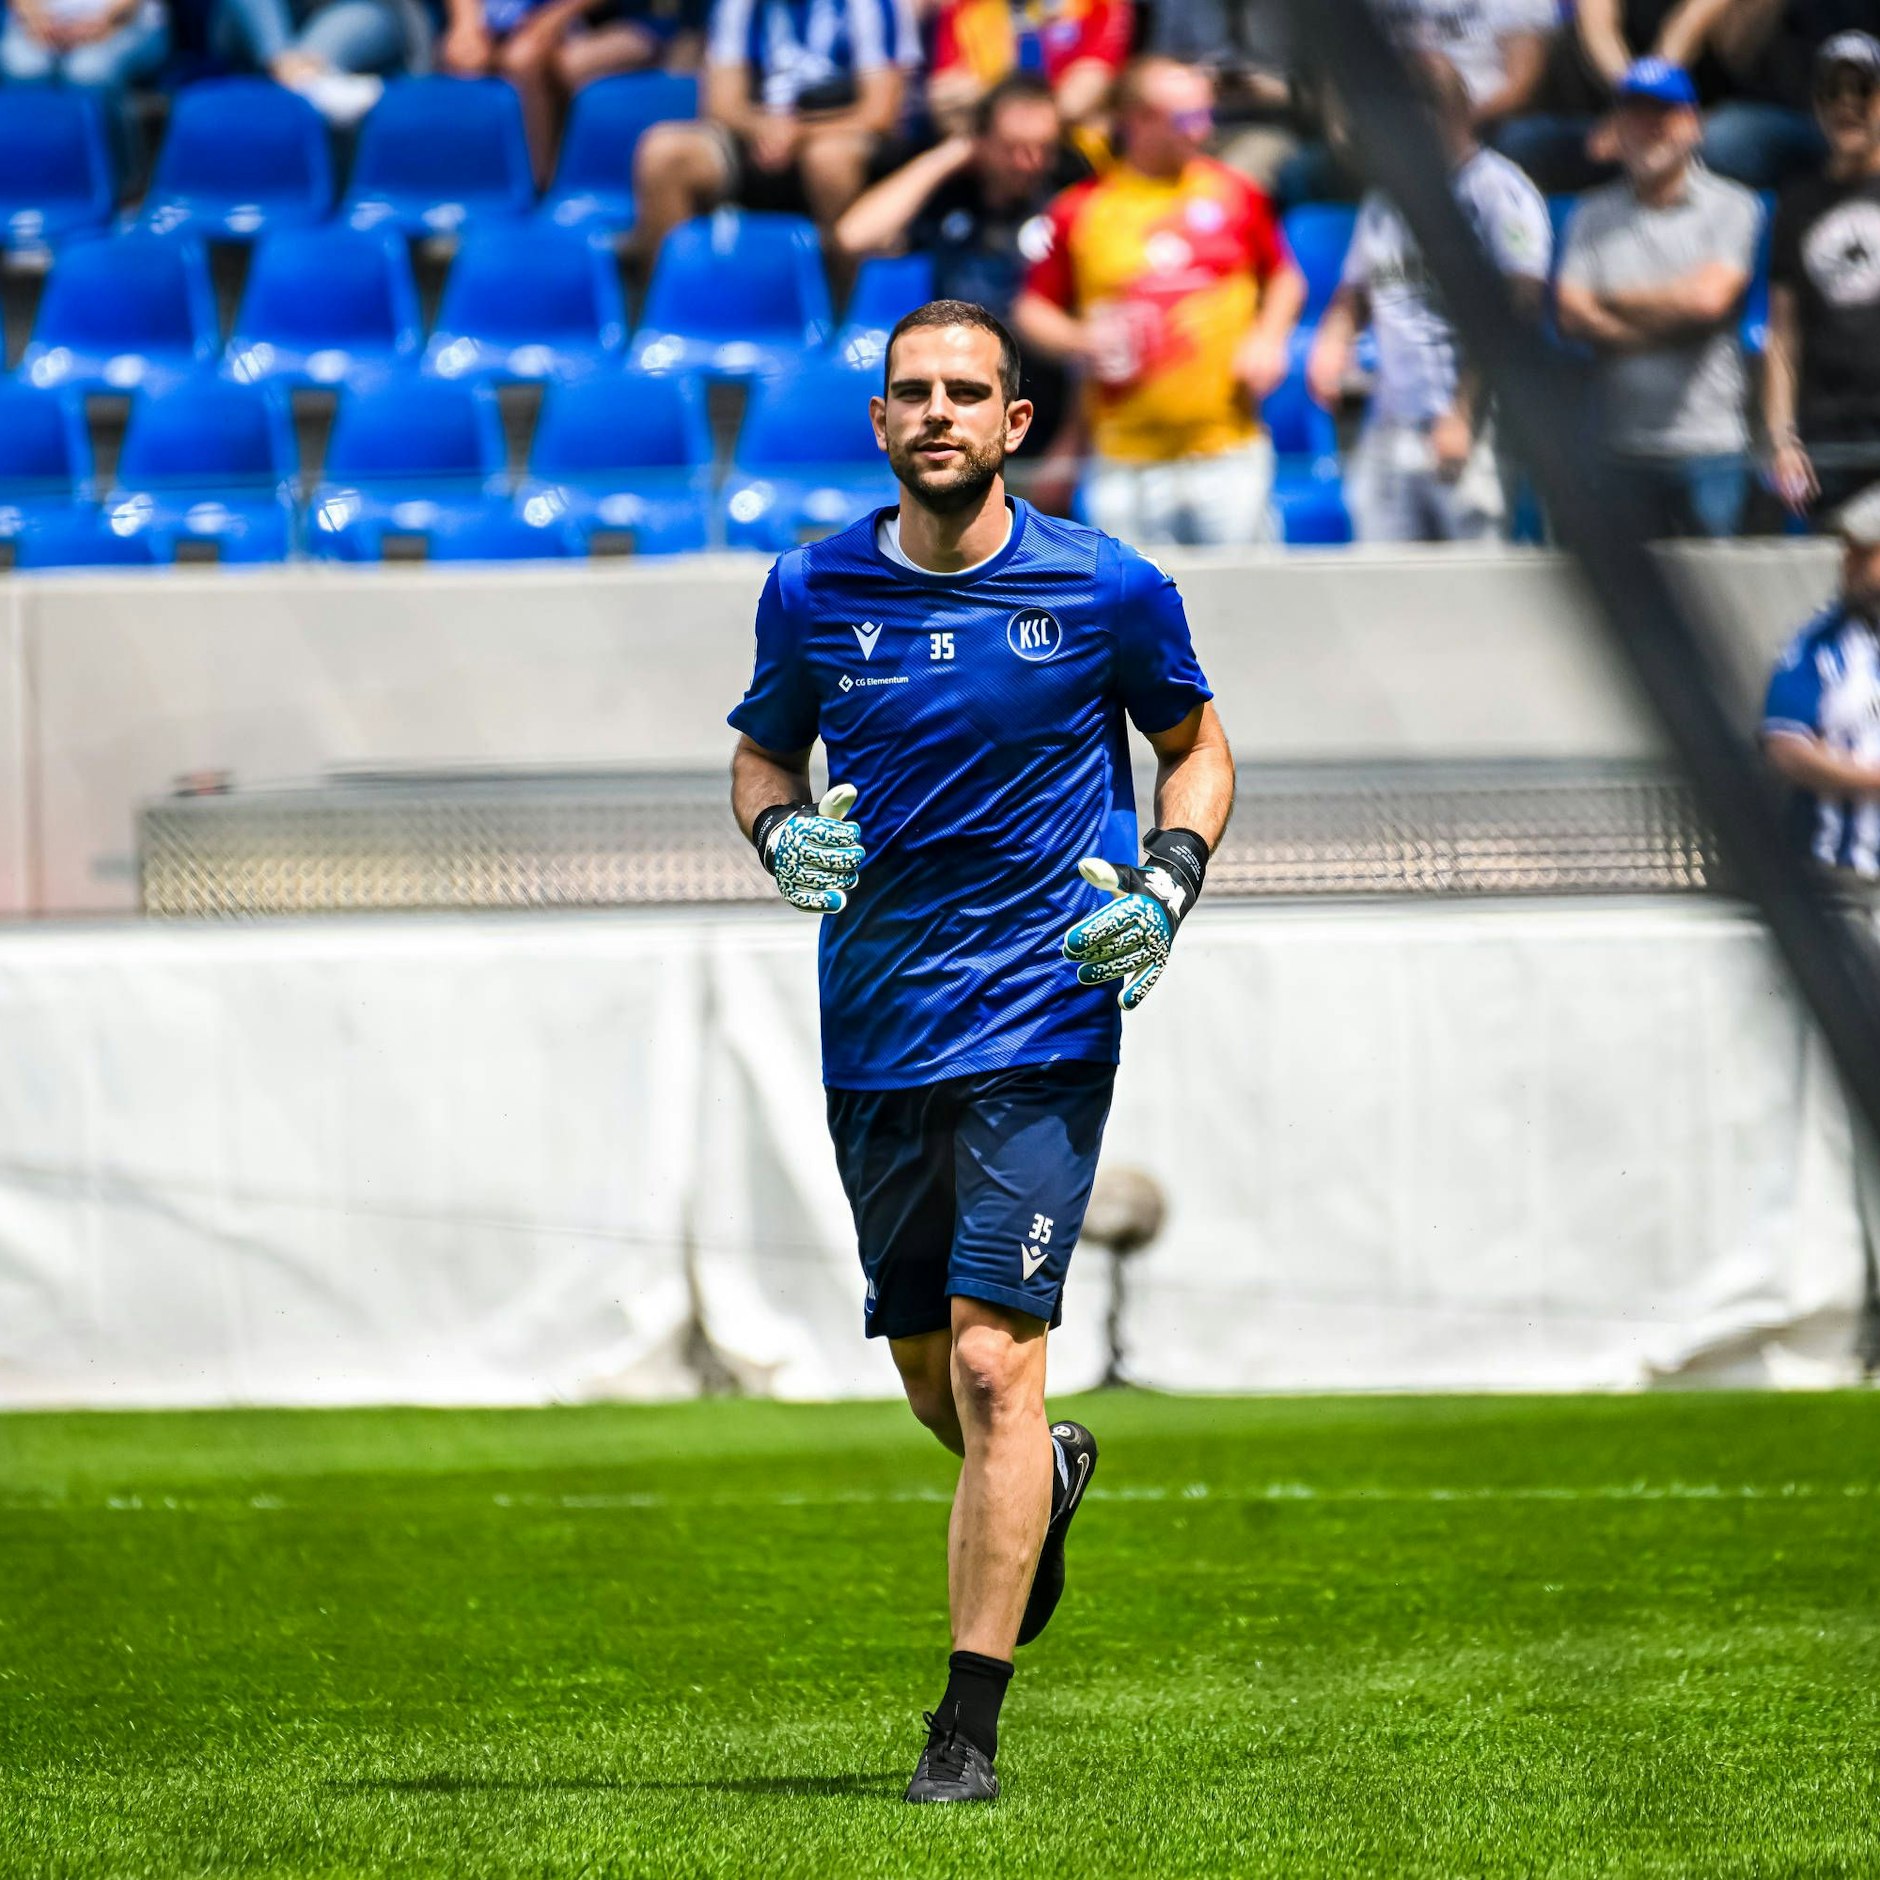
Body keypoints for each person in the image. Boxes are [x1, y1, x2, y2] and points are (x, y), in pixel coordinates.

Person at [726, 298, 1234, 1804]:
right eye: (913, 392)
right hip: (877, 1024)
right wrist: (779, 833)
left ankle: (964, 1730)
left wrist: (1165, 886)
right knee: (933, 1381)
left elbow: (1196, 747)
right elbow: (762, 753)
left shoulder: (1109, 585)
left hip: (1044, 1013)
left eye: (966, 392)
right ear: (880, 422)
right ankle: (1048, 1476)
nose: (937, 412)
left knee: (998, 1366)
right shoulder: (808, 590)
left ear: (1015, 422)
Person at [1011, 56, 1306, 548]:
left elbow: (1284, 278)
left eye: (1205, 114)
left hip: (1228, 452)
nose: (1203, 129)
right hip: (1124, 459)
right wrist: (1081, 339)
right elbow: (1032, 309)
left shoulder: (1236, 193)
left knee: (1244, 591)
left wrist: (1268, 338)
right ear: (1138, 121)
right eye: (1187, 118)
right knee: (1138, 596)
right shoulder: (1081, 209)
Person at [1307, 52, 1552, 542]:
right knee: (1383, 575)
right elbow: (1355, 292)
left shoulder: (1498, 191)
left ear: (1453, 113)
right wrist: (1333, 340)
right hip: (1392, 423)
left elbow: (1516, 311)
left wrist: (1462, 415)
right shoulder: (1387, 200)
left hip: (1472, 427)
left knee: (1476, 578)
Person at [1555, 57, 1763, 538]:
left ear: (1692, 124)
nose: (1648, 128)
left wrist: (1609, 303)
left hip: (1709, 445)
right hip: (1619, 448)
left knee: (1715, 579)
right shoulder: (1591, 214)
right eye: (1635, 114)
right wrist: (1669, 320)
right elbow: (1569, 313)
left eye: (1663, 114)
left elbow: (1708, 302)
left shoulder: (1733, 205)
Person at [833, 73, 1086, 466]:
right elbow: (854, 236)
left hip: (1044, 404)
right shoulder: (952, 196)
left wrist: (1071, 444)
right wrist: (953, 153)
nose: (1030, 162)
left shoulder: (1071, 198)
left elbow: (1091, 337)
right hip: (957, 401)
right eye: (1013, 148)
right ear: (981, 141)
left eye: (1044, 148)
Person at [629, 0, 919, 261]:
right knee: (665, 153)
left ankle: (844, 294)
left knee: (828, 158)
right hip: (758, 136)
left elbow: (879, 113)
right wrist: (765, 128)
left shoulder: (872, 6)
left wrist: (799, 133)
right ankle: (672, 296)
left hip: (843, 133)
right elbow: (722, 104)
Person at [1767, 32, 1880, 523]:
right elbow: (1782, 338)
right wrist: (1782, 440)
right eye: (1832, 92)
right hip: (1826, 439)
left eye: (1863, 90)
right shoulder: (1797, 205)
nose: (1846, 104)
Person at [437, 0, 700, 181]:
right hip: (513, 30)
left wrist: (554, 18)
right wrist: (465, 24)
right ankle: (481, 188)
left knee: (526, 60)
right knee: (466, 59)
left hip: (620, 26)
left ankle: (541, 191)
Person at [1762, 482, 1880, 874]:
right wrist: (1871, 780)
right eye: (1848, 552)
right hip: (1842, 877)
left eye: (1864, 553)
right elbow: (1785, 747)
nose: (1849, 565)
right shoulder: (1819, 644)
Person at [927, 0, 1131, 143]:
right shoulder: (965, 9)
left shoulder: (1100, 5)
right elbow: (947, 101)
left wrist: (984, 98)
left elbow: (1079, 97)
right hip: (982, 153)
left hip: (1070, 152)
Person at [1, 0, 169, 170]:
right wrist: (38, 22)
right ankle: (30, 166)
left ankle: (118, 171)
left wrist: (100, 24)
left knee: (89, 71)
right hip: (36, 29)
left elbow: (128, 7)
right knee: (25, 67)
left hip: (124, 25)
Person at [214, 0, 425, 123]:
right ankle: (298, 75)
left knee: (328, 39)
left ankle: (297, 74)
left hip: (368, 9)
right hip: (271, 24)